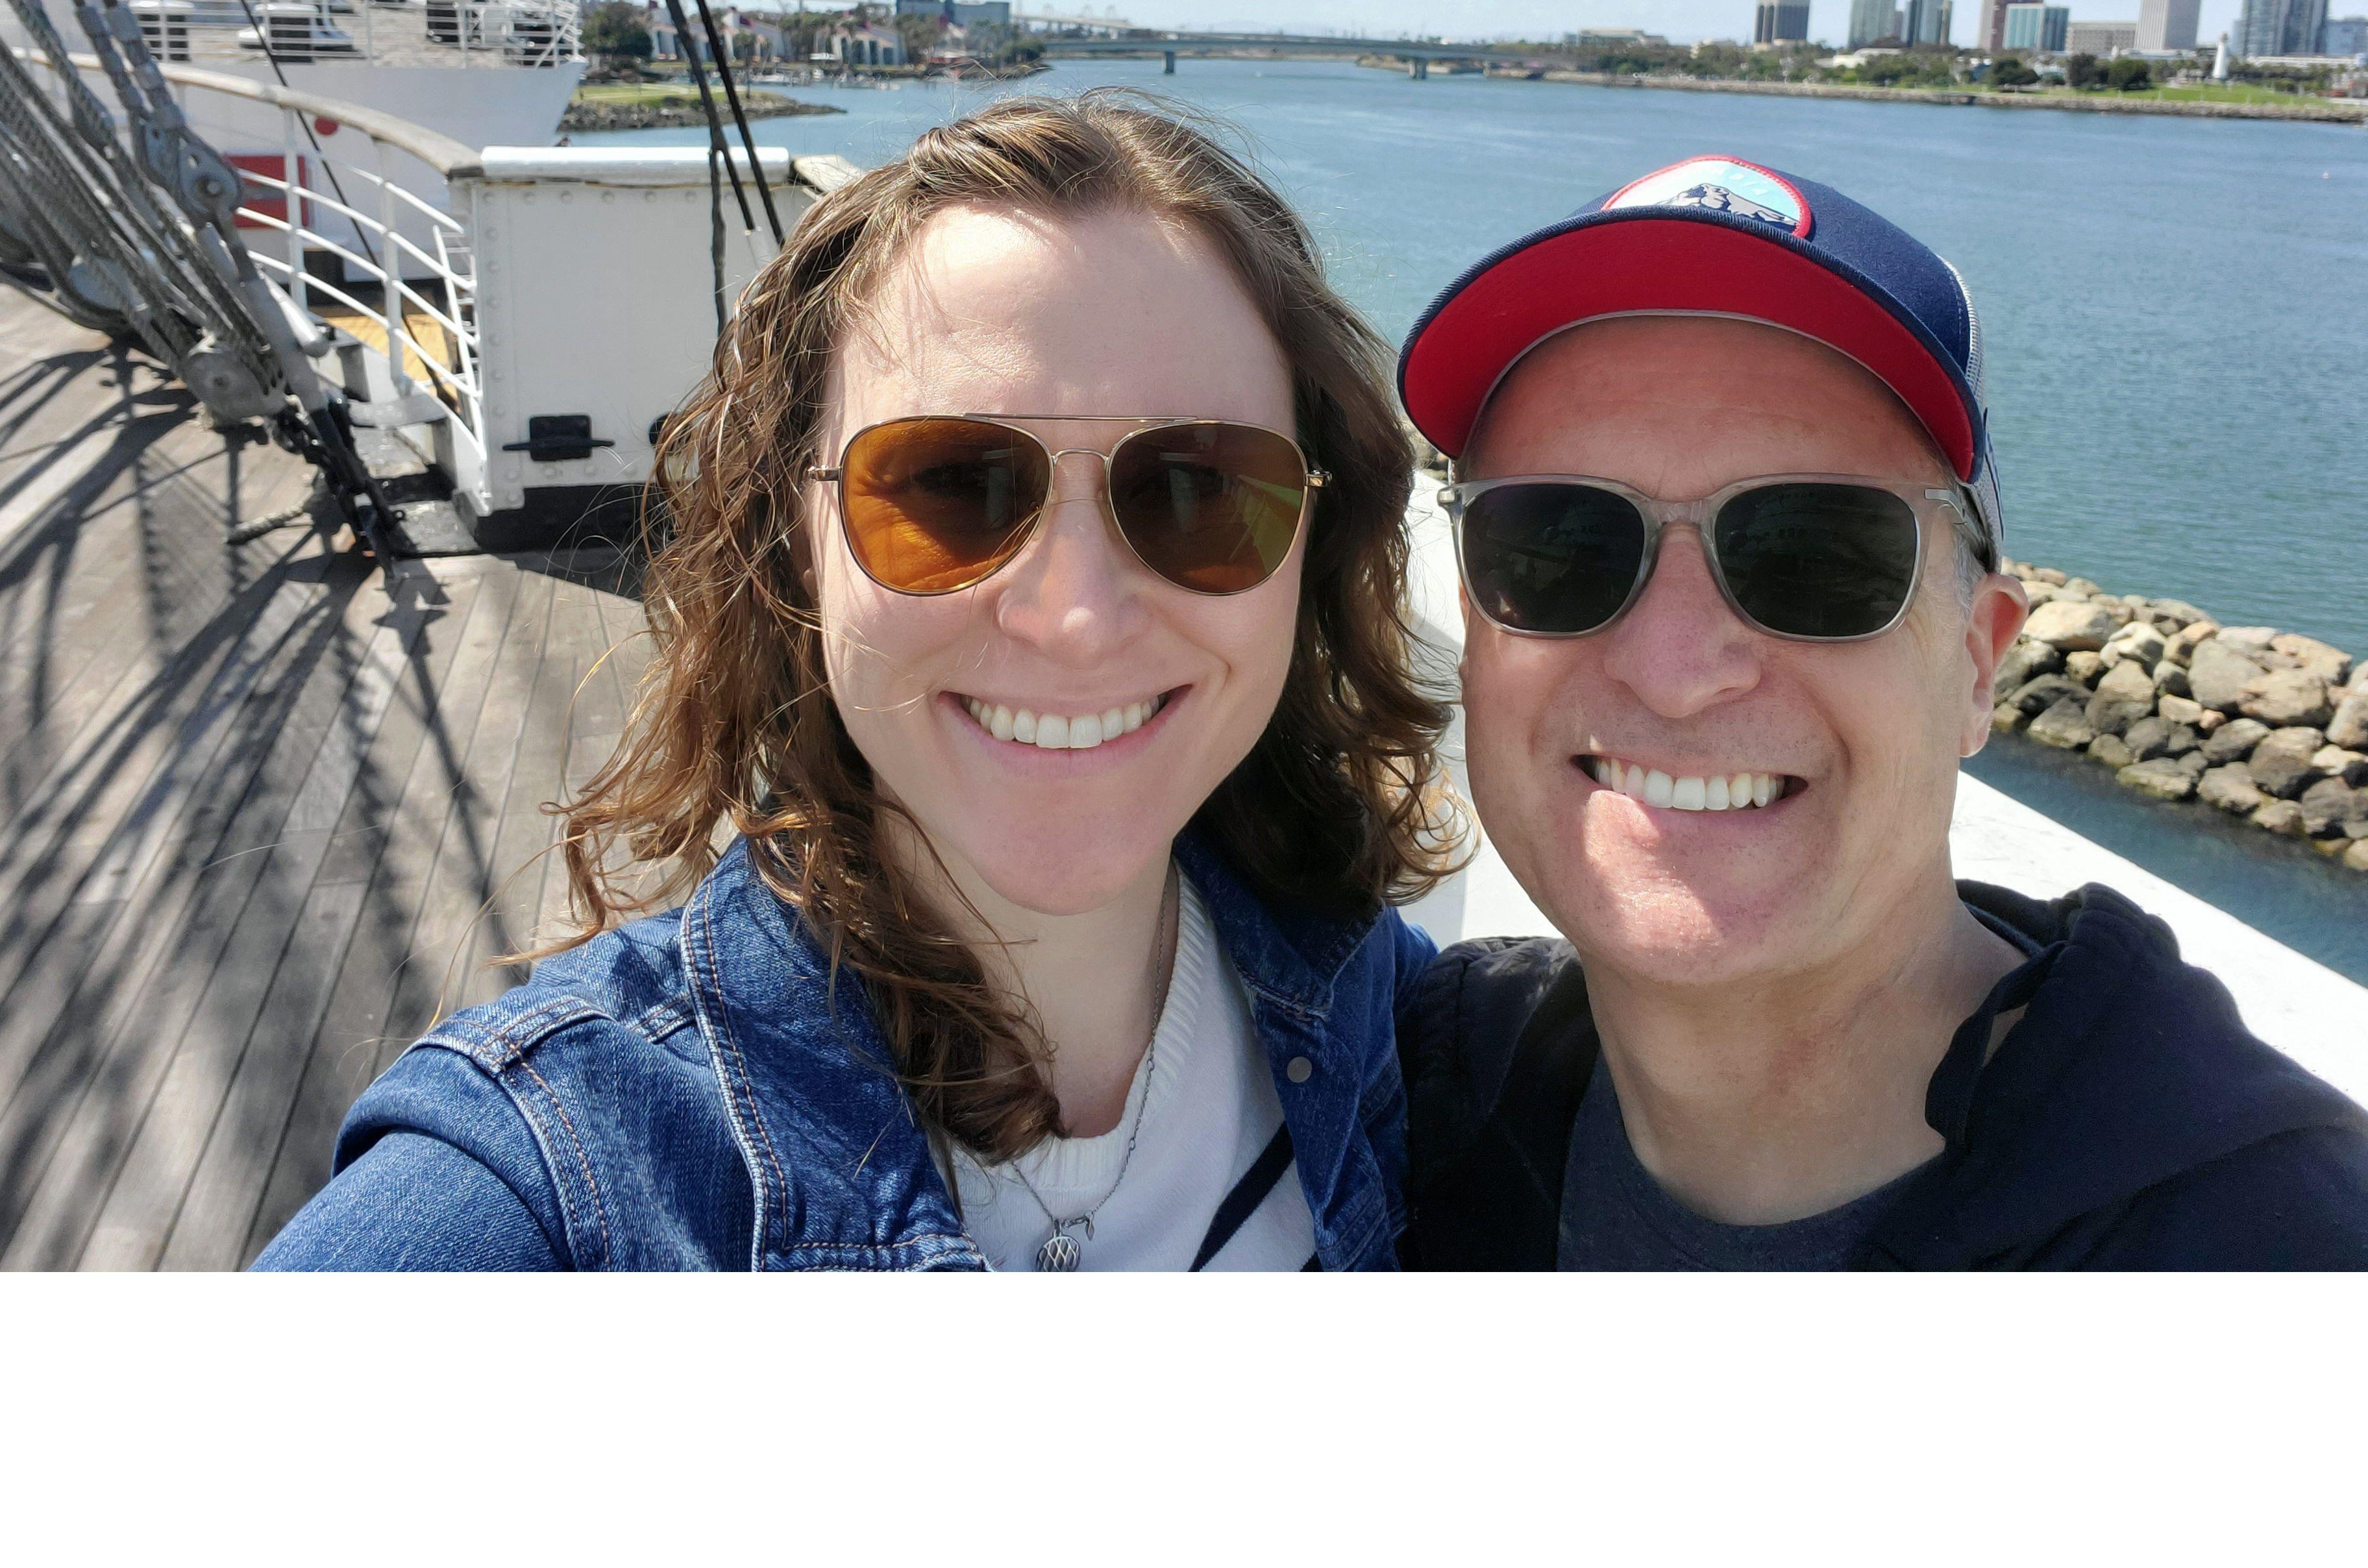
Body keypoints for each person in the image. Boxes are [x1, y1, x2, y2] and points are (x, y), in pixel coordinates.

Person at [258, 93, 1457, 1271]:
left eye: (1196, 489)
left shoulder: (1366, 994)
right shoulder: (559, 1173)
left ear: (1314, 536)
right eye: (950, 487)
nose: (1080, 618)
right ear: (798, 537)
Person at [1392, 153, 2368, 1270]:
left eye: (1813, 552)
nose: (1673, 667)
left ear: (1975, 663)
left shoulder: (2274, 1235)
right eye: (1557, 543)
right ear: (1474, 626)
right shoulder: (1430, 1078)